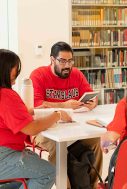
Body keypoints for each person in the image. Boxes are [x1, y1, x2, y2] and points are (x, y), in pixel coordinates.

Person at [0, 49, 72, 189]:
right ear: (4, 69)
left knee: (33, 165)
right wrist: (57, 114)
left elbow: (0, 116)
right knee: (48, 171)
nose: (17, 75)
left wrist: (30, 111)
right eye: (15, 70)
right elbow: (32, 128)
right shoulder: (5, 96)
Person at [29, 42, 102, 189]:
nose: (67, 65)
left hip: (72, 126)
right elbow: (36, 105)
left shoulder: (76, 74)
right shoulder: (38, 75)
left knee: (95, 140)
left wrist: (93, 102)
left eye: (70, 61)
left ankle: (93, 186)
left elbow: (90, 95)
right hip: (43, 128)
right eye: (62, 61)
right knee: (58, 146)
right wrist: (64, 105)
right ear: (52, 59)